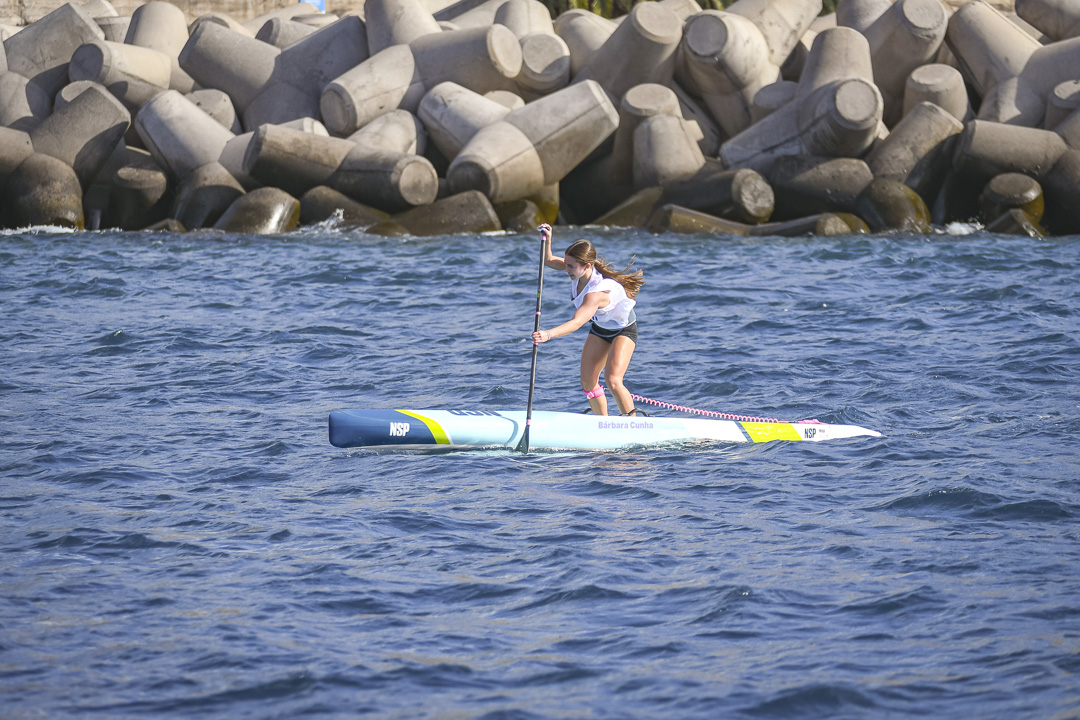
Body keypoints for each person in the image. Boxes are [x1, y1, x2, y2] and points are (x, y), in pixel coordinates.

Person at [531, 223, 647, 417]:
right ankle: (601, 423)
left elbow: (577, 323)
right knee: (588, 381)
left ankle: (632, 424)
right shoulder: (577, 271)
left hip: (623, 330)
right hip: (601, 329)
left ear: (586, 266)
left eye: (570, 266)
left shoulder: (596, 294)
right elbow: (548, 260)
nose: (566, 269)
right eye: (566, 263)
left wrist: (548, 334)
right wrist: (548, 240)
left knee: (613, 380)